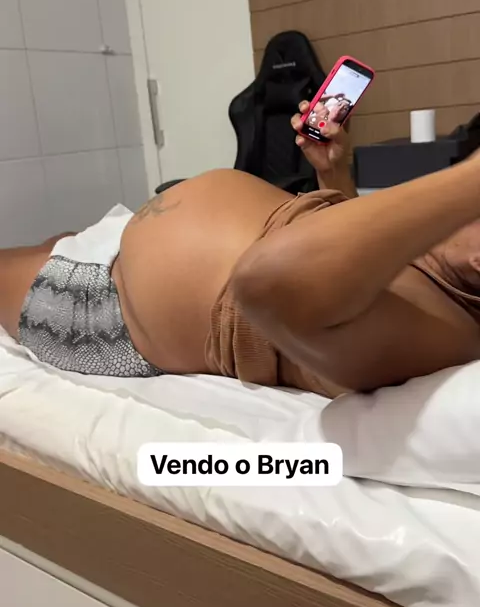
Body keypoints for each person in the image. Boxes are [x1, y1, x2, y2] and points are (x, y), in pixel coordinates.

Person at [2, 101, 480, 398]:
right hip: (130, 241)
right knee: (54, 240)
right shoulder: (439, 255)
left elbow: (274, 279)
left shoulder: (448, 334)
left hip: (107, 313)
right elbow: (362, 271)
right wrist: (333, 174)